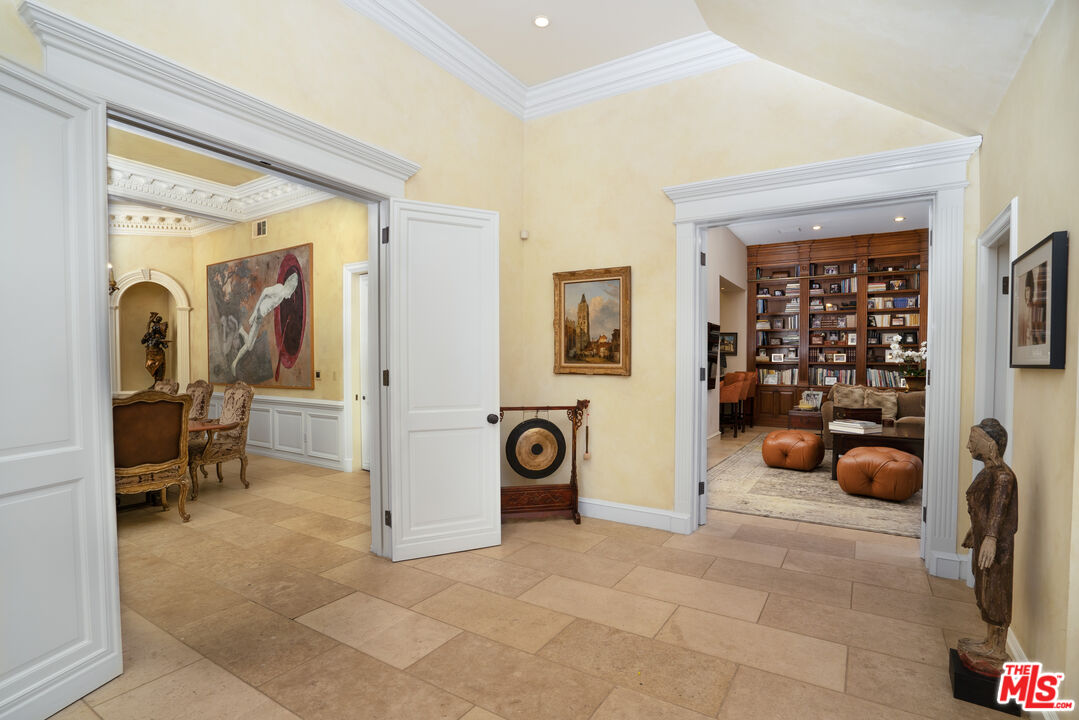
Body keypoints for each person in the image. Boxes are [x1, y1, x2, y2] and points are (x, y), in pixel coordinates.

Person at [958, 417, 1018, 675]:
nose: (969, 446)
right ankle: (989, 641)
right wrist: (975, 532)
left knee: (996, 592)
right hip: (983, 540)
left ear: (990, 444)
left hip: (996, 547)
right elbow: (983, 509)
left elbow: (999, 511)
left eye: (974, 441)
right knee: (985, 589)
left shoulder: (1003, 477)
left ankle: (998, 648)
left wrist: (991, 538)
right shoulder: (990, 472)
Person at [231, 273, 299, 375]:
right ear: (288, 287)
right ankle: (234, 363)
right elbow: (264, 292)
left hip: (260, 318)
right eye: (290, 292)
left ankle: (241, 331)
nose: (289, 296)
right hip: (258, 315)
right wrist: (254, 313)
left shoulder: (281, 296)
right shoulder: (279, 289)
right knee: (249, 346)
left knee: (250, 346)